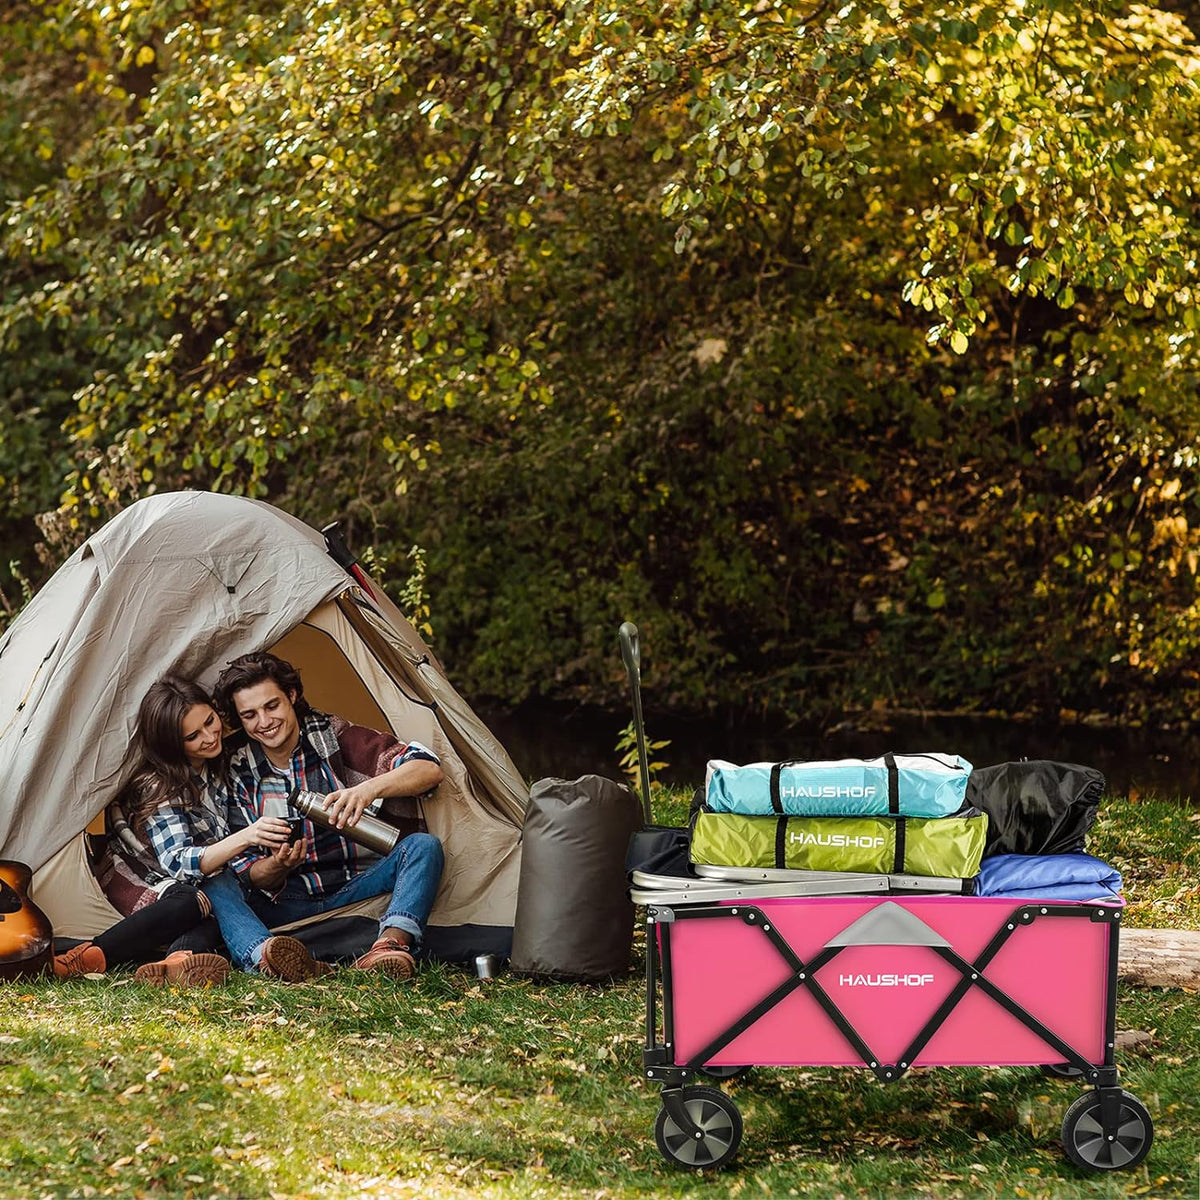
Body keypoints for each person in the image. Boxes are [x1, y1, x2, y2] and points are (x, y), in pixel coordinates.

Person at [203, 651, 445, 982]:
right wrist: (278, 866)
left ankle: (388, 947)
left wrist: (367, 790)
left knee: (423, 847)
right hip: (283, 901)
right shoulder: (235, 767)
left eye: (271, 706)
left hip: (354, 886)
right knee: (214, 881)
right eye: (250, 715)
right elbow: (251, 876)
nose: (264, 722)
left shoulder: (334, 737)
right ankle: (268, 958)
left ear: (291, 695)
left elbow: (427, 769)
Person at [133, 675, 338, 983]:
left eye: (210, 721)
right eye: (192, 736)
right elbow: (180, 864)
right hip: (172, 885)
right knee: (215, 886)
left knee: (225, 893)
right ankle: (262, 956)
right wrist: (247, 836)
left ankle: (179, 962)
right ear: (174, 744)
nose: (209, 736)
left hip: (226, 886)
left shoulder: (224, 761)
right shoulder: (160, 786)